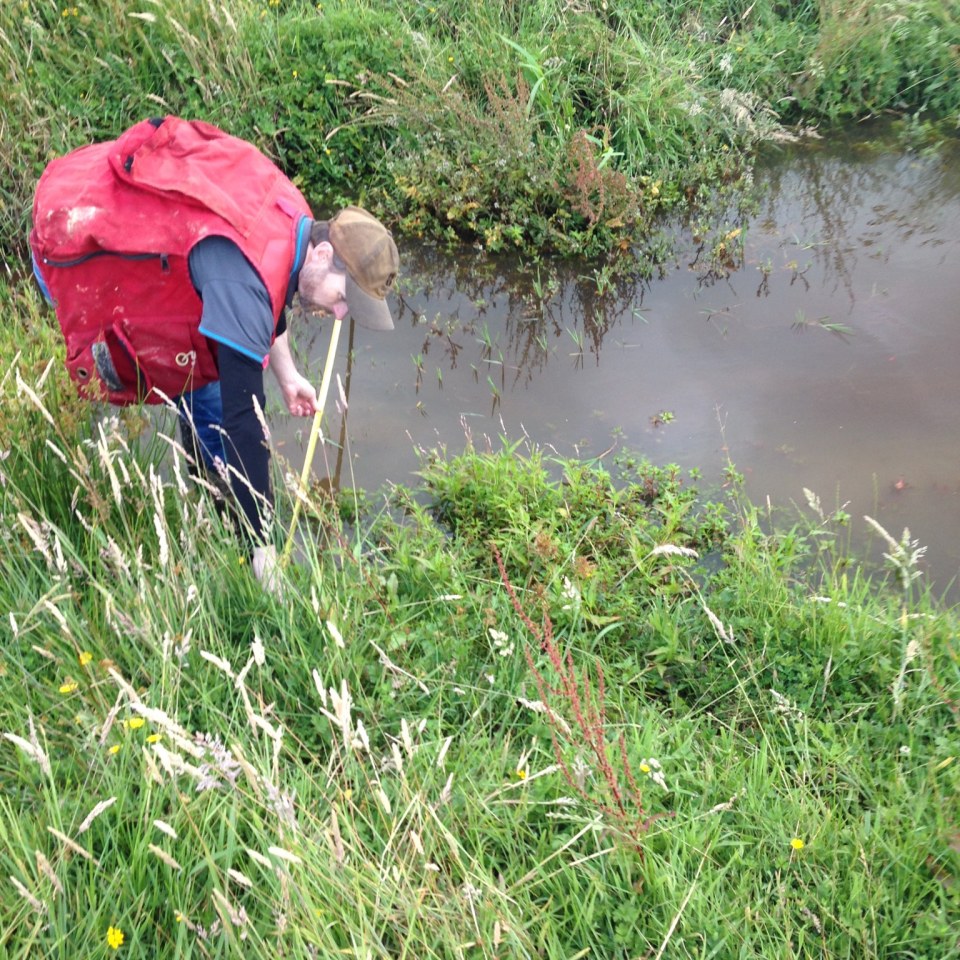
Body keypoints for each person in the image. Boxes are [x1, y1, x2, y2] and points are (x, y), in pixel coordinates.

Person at [29, 116, 399, 591]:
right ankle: (226, 518)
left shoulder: (293, 213)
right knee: (218, 410)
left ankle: (214, 492)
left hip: (85, 182)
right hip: (73, 238)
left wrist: (285, 372)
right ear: (324, 255)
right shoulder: (243, 283)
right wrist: (265, 547)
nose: (342, 313)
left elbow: (270, 285)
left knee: (213, 379)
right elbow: (246, 417)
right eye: (344, 296)